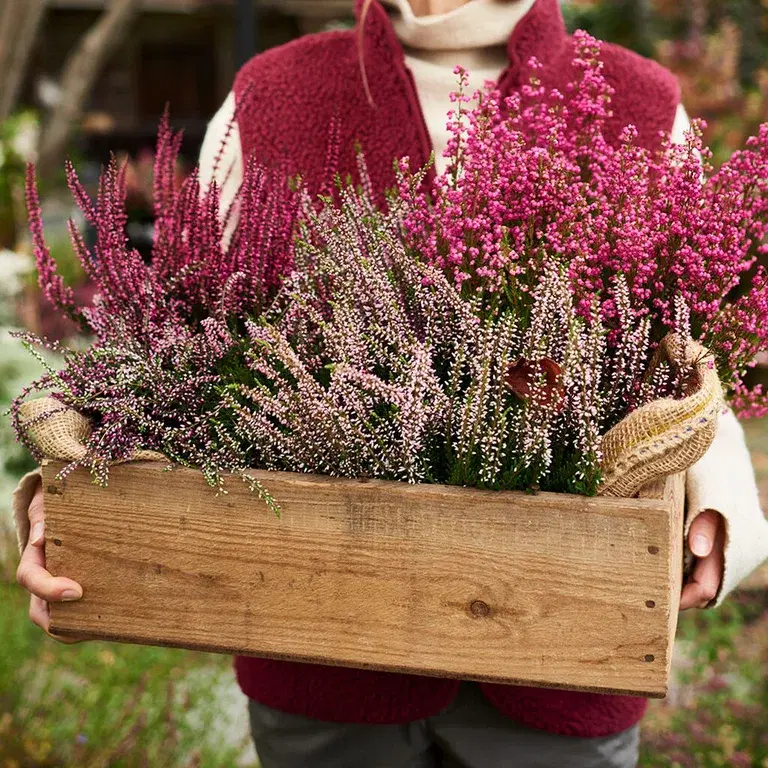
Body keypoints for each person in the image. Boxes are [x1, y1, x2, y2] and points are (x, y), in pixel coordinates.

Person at [14, 1, 768, 766]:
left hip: (563, 660)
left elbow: (687, 352)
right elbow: (182, 335)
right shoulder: (272, 93)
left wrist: (715, 504)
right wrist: (78, 494)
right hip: (320, 646)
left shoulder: (640, 100)